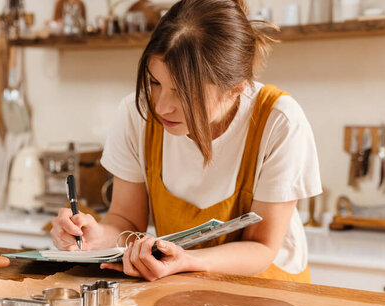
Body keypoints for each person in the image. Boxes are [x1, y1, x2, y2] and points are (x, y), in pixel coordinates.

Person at [50, 0, 322, 283]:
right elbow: (126, 222)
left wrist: (187, 260)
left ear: (236, 88)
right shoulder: (136, 114)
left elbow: (262, 247)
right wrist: (96, 237)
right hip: (181, 289)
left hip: (270, 297)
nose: (161, 107)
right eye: (155, 83)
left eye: (183, 92)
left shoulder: (279, 121)